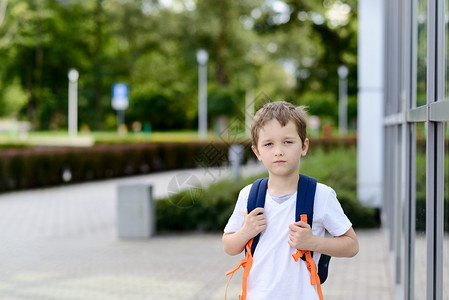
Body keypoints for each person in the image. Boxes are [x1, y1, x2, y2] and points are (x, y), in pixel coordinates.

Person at [222, 101, 359, 300]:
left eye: (288, 142)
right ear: (257, 152)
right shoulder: (249, 195)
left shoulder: (321, 195)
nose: (278, 151)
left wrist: (313, 242)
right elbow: (229, 246)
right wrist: (246, 231)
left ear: (304, 146)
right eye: (269, 144)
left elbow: (352, 245)